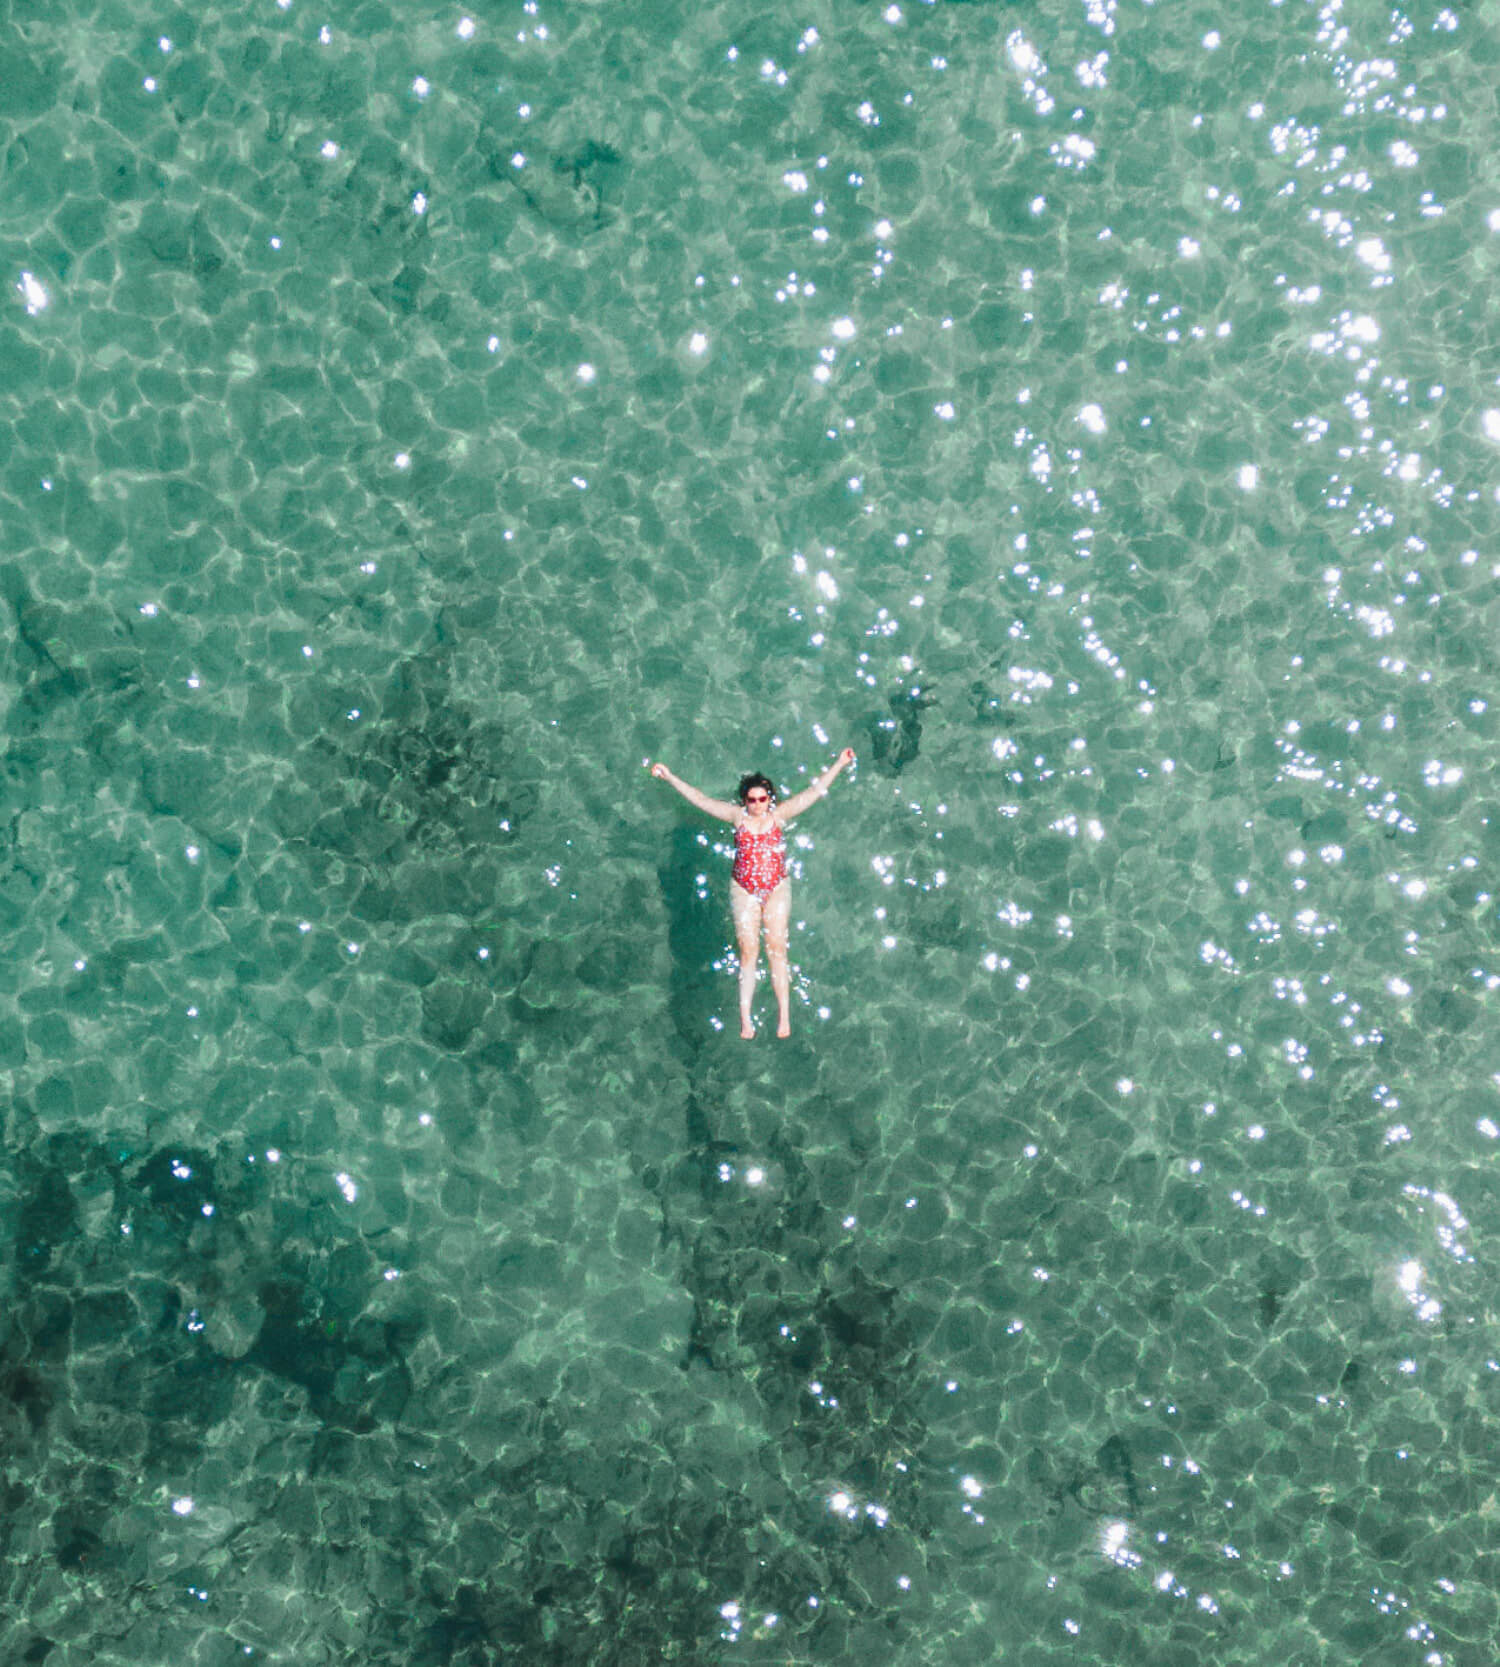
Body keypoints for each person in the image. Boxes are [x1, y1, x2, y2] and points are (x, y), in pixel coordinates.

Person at [648, 749, 856, 1038]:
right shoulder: (737, 817)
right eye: (752, 800)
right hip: (744, 888)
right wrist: (669, 777)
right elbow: (700, 800)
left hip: (776, 886)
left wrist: (840, 763)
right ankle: (746, 1020)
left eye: (763, 799)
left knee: (778, 950)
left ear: (770, 798)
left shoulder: (779, 815)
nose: (758, 805)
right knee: (749, 953)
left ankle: (784, 1017)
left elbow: (814, 791)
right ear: (744, 801)